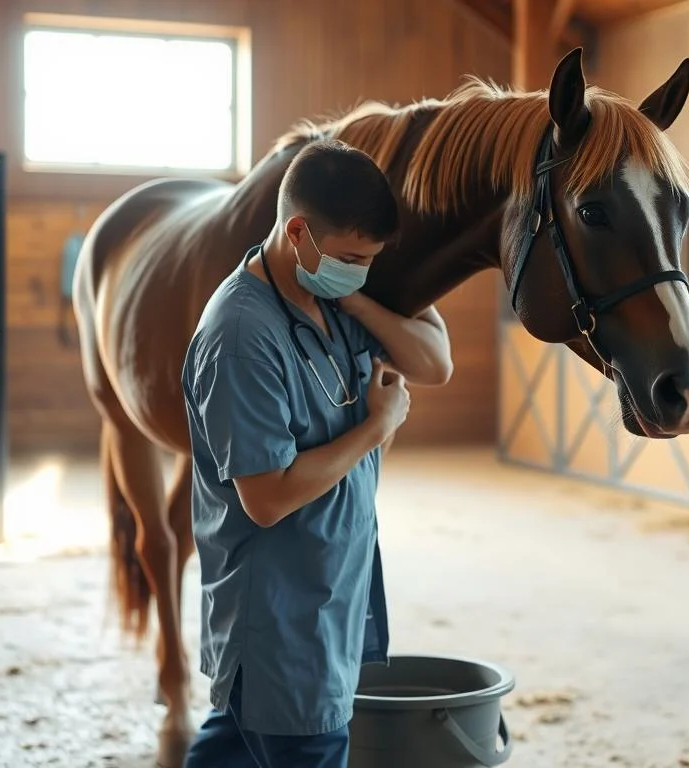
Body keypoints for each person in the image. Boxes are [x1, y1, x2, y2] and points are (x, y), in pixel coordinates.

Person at [181, 138, 453, 768]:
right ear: (297, 230)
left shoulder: (330, 298)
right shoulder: (243, 334)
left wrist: (353, 292)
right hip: (280, 622)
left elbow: (434, 361)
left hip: (324, 598)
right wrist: (375, 428)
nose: (360, 270)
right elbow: (268, 497)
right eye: (352, 259)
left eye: (371, 262)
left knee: (232, 749)